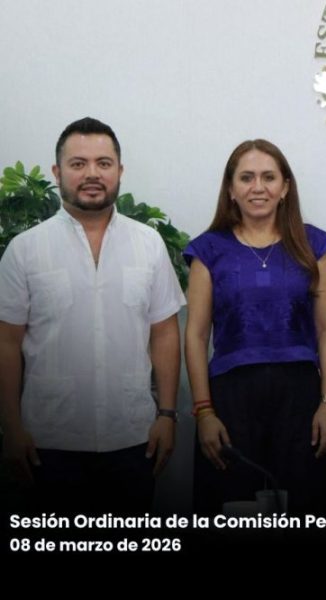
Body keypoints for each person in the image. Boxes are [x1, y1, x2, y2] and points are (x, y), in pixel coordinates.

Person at [0, 117, 184, 515]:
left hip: (133, 438)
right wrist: (11, 427)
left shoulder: (149, 244)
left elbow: (165, 333)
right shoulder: (25, 250)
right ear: (57, 172)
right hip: (48, 441)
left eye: (103, 163)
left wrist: (168, 414)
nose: (92, 174)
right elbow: (7, 343)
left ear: (119, 170)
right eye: (78, 163)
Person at [184, 139, 326, 516]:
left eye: (269, 177)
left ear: (285, 187)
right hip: (230, 400)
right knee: (232, 508)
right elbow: (196, 336)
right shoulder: (208, 250)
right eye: (247, 178)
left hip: (300, 399)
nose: (258, 187)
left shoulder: (312, 244)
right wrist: (204, 412)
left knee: (303, 508)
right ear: (231, 189)